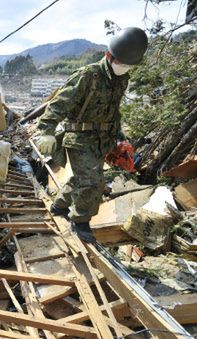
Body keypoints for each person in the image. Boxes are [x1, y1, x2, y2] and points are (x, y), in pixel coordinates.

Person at [36, 27, 148, 242]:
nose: (124, 68)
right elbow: (58, 104)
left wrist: (118, 134)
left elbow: (113, 110)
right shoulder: (87, 76)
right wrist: (46, 131)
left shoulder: (121, 79)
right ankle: (81, 222)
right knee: (93, 182)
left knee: (82, 179)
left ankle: (59, 206)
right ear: (109, 56)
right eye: (121, 63)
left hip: (101, 141)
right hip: (79, 138)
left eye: (128, 65)